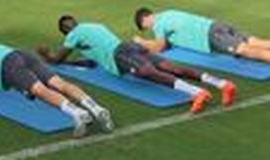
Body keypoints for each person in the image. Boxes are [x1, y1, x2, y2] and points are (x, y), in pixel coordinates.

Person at [40, 16, 235, 114]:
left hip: (120, 55)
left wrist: (46, 55)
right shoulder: (93, 25)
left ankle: (196, 92)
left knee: (148, 73)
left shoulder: (73, 36)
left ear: (66, 32)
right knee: (171, 66)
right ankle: (222, 84)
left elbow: (57, 59)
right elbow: (91, 55)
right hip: (128, 46)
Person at [0, 40, 112, 137]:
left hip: (9, 65)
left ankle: (78, 113)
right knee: (59, 83)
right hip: (22, 54)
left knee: (40, 91)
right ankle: (96, 108)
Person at [134, 7, 270, 87]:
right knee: (256, 42)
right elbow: (165, 42)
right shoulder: (170, 13)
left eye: (146, 27)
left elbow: (159, 47)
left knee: (244, 50)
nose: (149, 29)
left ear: (146, 19)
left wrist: (142, 43)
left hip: (211, 35)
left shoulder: (159, 24)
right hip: (216, 25)